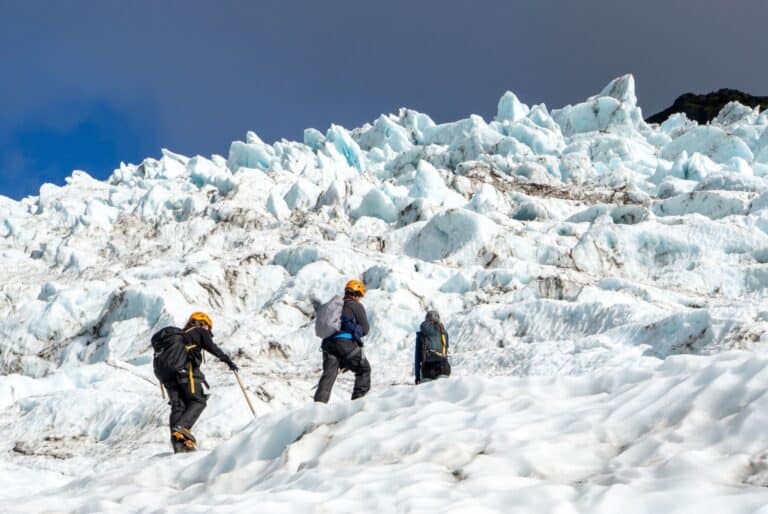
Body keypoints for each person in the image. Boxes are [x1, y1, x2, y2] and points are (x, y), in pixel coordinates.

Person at [155, 311, 239, 453]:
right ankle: (182, 428)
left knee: (178, 407)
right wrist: (228, 361)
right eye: (208, 327)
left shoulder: (178, 338)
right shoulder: (199, 331)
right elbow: (212, 347)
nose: (208, 330)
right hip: (186, 373)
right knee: (198, 400)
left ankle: (179, 443)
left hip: (167, 377)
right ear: (202, 323)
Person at [314, 279, 371, 403]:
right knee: (364, 370)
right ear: (357, 293)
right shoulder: (355, 305)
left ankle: (318, 407)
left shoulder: (336, 306)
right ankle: (357, 404)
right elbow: (365, 329)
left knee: (328, 376)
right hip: (345, 344)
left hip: (328, 344)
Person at [415, 310, 451, 384]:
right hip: (443, 368)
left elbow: (417, 358)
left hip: (427, 370)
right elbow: (445, 352)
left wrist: (417, 376)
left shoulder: (421, 334)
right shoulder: (444, 333)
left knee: (428, 394)